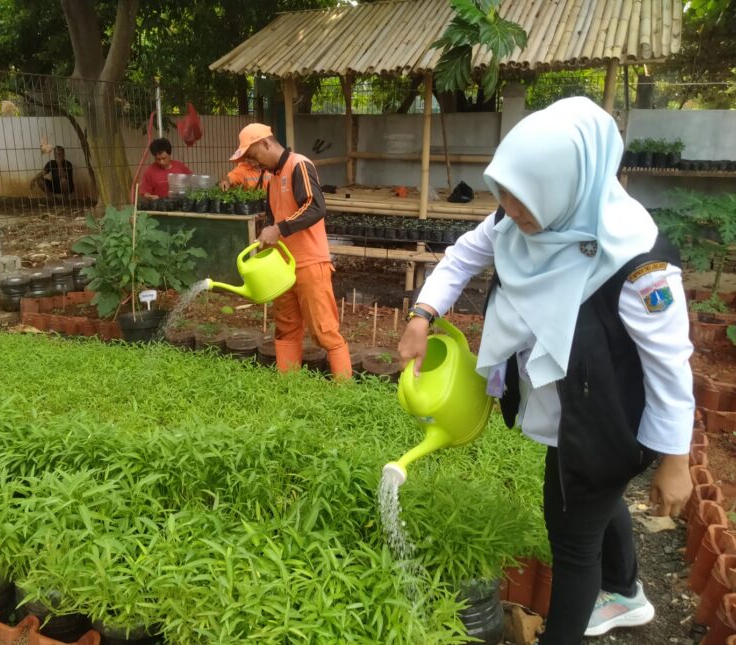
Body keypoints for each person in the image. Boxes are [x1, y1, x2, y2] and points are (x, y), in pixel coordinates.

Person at [397, 97, 693, 644]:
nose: (509, 209)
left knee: (572, 545)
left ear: (567, 185)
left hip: (605, 424)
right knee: (596, 502)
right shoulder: (522, 215)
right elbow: (463, 255)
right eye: (503, 192)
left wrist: (676, 461)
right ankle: (626, 592)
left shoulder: (637, 262)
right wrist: (423, 313)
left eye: (523, 196)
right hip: (570, 414)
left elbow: (670, 366)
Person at [229, 123, 351, 379]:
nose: (254, 162)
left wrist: (279, 229)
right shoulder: (272, 179)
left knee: (324, 331)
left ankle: (345, 393)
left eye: (253, 155)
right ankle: (289, 387)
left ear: (265, 143)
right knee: (285, 328)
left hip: (310, 263)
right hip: (282, 268)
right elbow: (273, 221)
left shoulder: (299, 165)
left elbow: (316, 207)